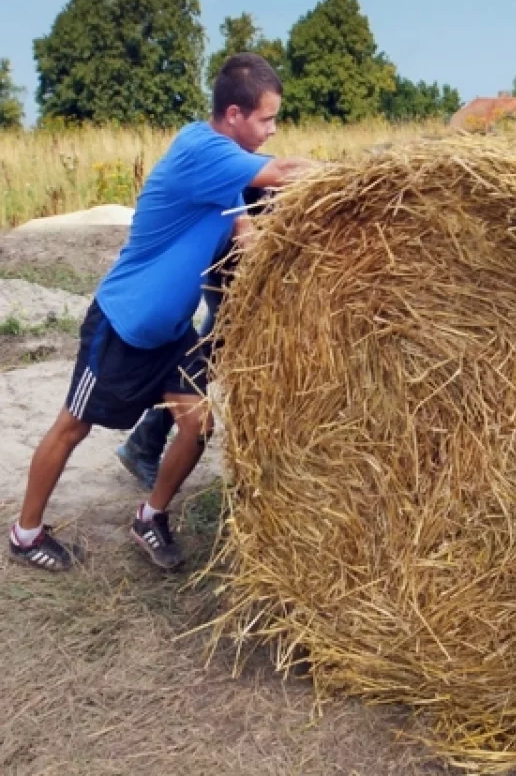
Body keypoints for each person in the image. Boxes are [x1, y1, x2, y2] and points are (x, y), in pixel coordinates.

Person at [8, 52, 316, 573]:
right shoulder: (204, 150)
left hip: (171, 333)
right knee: (72, 427)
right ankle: (25, 532)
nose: (272, 129)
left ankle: (149, 516)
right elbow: (285, 172)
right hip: (124, 324)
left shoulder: (227, 176)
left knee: (198, 425)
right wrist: (365, 180)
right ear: (235, 114)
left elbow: (243, 229)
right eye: (266, 118)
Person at [115, 183, 274, 489]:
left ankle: (144, 442)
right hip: (234, 273)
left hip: (235, 271)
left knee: (209, 357)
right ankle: (143, 444)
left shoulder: (256, 172)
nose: (271, 131)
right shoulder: (245, 172)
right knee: (206, 359)